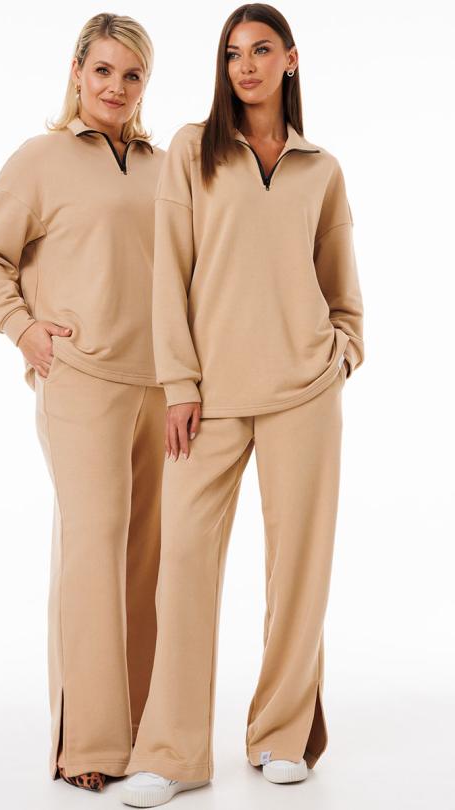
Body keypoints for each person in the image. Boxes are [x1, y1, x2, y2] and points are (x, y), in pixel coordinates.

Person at [121, 3, 364, 805]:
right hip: (211, 400)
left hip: (304, 394)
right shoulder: (193, 149)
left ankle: (281, 736)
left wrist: (343, 351)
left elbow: (342, 286)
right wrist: (180, 385)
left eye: (261, 50)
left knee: (299, 571)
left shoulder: (320, 168)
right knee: (184, 568)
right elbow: (170, 274)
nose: (246, 66)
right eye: (232, 53)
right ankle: (173, 752)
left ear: (291, 59)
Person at [0, 12, 167, 793]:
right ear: (77, 71)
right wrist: (23, 330)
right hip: (82, 381)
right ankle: (87, 743)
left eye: (132, 74)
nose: (116, 87)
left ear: (145, 84)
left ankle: (146, 733)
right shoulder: (40, 158)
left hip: (161, 387)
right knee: (93, 549)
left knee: (149, 561)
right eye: (103, 70)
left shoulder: (162, 166)